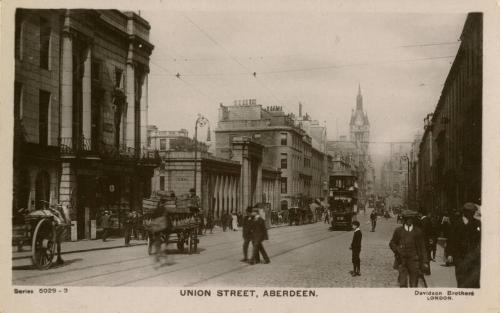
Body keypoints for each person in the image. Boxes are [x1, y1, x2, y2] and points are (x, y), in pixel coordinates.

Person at [389, 210, 429, 287]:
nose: (409, 221)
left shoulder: (418, 231)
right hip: (401, 260)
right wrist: (397, 249)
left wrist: (425, 261)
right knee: (402, 283)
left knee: (414, 284)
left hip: (414, 260)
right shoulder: (398, 231)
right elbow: (392, 243)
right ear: (404, 220)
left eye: (411, 219)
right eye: (407, 219)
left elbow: (422, 247)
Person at [446, 203, 481, 288]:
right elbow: (451, 239)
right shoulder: (456, 223)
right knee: (462, 280)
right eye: (471, 212)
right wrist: (449, 254)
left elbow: (480, 239)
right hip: (460, 257)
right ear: (465, 212)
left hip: (473, 258)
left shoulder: (477, 223)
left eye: (473, 212)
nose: (473, 214)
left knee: (474, 282)